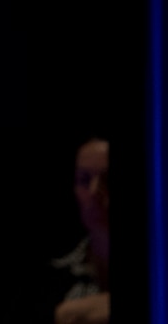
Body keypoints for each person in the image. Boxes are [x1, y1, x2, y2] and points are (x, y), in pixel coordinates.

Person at [49, 136, 110, 324]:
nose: (94, 191)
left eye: (108, 178)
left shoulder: (162, 271)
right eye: (84, 180)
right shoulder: (55, 276)